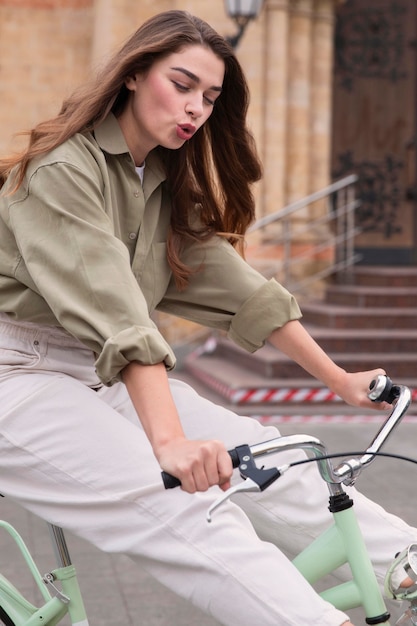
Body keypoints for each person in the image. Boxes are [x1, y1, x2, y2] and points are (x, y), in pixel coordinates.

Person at [0, 10, 414, 626]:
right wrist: (169, 444)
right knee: (186, 506)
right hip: (18, 374)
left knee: (276, 461)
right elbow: (118, 314)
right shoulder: (64, 170)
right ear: (135, 75)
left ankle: (406, 568)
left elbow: (241, 290)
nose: (196, 108)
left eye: (211, 97)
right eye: (183, 84)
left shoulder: (160, 181)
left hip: (98, 372)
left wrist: (339, 381)